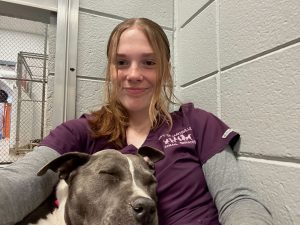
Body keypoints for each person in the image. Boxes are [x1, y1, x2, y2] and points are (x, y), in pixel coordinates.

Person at [0, 18, 273, 225]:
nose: (134, 74)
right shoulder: (80, 132)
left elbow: (238, 200)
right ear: (110, 69)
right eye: (122, 62)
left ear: (165, 70)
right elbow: (19, 182)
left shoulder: (198, 124)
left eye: (149, 63)